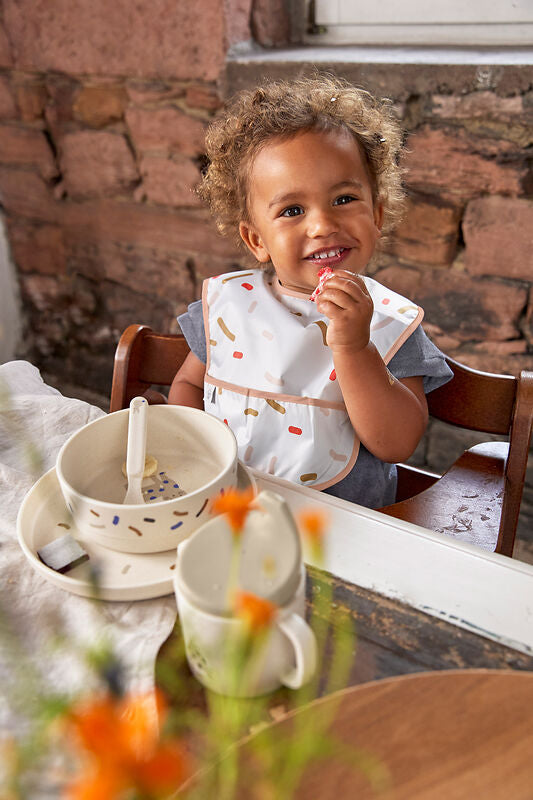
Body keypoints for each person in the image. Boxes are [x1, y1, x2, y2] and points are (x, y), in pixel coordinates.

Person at [169, 75, 452, 509]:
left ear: (376, 213)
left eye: (343, 199)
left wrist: (355, 346)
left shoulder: (389, 321)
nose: (321, 226)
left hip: (342, 534)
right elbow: (190, 382)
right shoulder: (231, 306)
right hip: (229, 510)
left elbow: (396, 445)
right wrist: (195, 456)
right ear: (256, 240)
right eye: (292, 210)